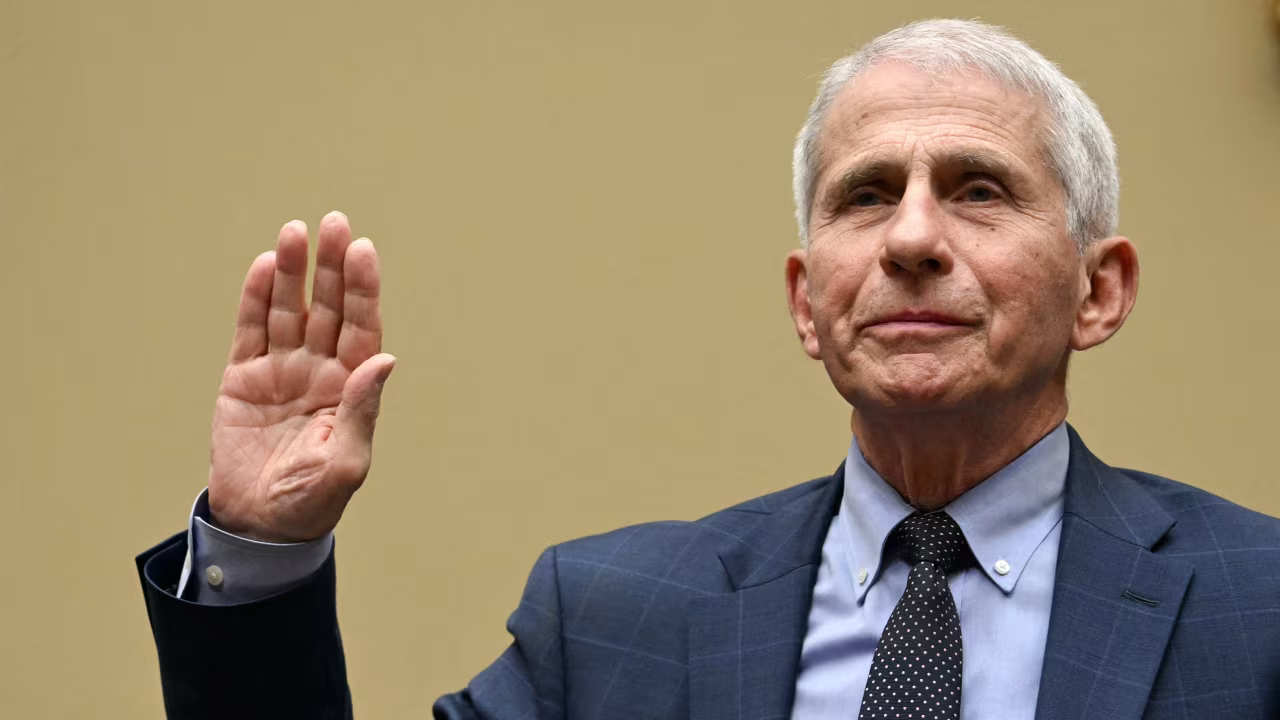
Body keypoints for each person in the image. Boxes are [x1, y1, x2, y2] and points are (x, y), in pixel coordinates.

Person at [136, 18, 1280, 720]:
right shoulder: (613, 623)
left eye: (978, 189)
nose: (912, 239)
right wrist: (267, 550)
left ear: (1099, 289)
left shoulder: (1258, 609)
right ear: (806, 301)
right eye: (865, 195)